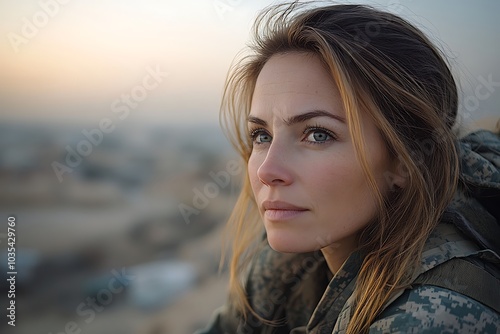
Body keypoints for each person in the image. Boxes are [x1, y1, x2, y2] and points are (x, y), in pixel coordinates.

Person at [196, 2, 500, 333]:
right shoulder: (290, 263)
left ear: (405, 160)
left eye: (317, 134)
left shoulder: (437, 315)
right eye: (262, 135)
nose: (267, 171)